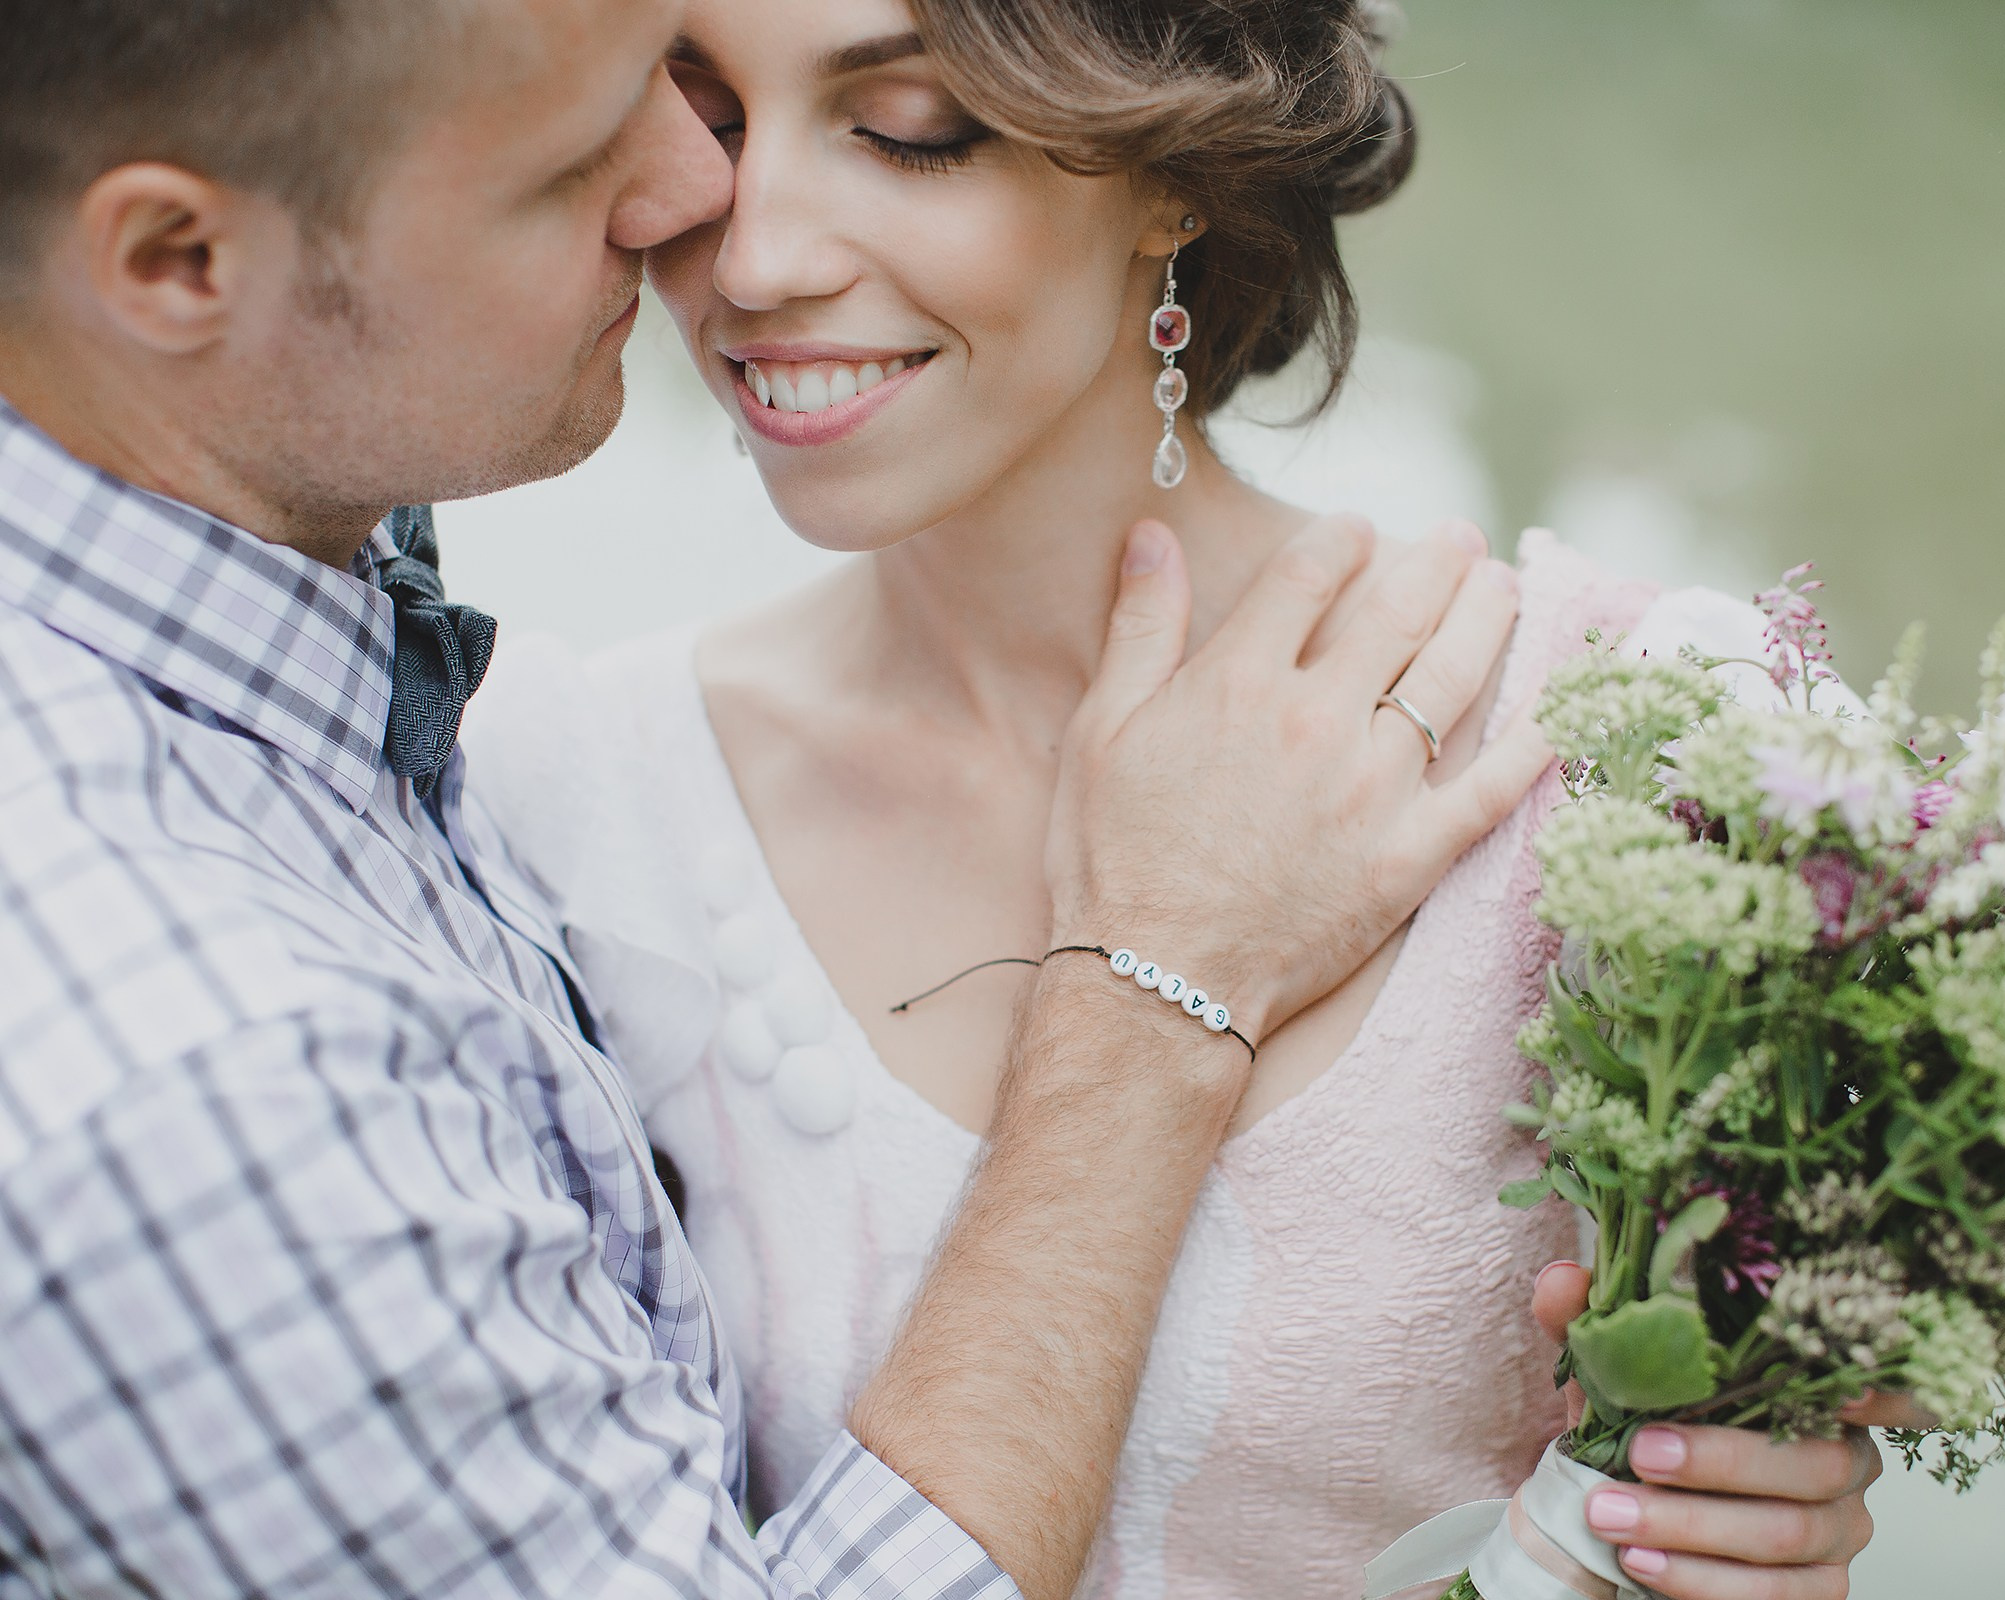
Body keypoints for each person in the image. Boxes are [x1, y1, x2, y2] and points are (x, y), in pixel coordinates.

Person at [0, 2, 1556, 1597]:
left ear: (1180, 167)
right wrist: (1156, 987)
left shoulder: (1625, 743)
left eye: (905, 126)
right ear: (181, 264)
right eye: (663, 120)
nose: (720, 231)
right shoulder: (285, 984)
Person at [463, 2, 1904, 1598]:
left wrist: (1730, 1514)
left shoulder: (1659, 745)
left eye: (911, 126)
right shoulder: (556, 796)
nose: (752, 262)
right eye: (711, 123)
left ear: (1177, 170)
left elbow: (1825, 1392)